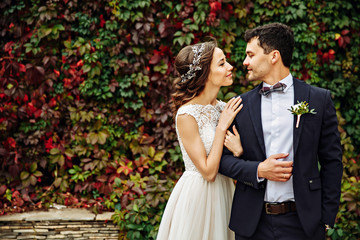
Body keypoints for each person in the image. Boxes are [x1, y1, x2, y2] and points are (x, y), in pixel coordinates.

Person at [219, 22, 343, 240]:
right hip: (252, 225)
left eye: (250, 54)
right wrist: (259, 170)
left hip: (303, 224)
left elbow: (332, 161)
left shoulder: (318, 99)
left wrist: (326, 218)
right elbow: (223, 161)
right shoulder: (239, 105)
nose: (244, 62)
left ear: (273, 56)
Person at [156, 40, 244, 240]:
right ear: (204, 73)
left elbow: (234, 156)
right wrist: (221, 127)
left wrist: (238, 151)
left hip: (225, 191)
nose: (230, 67)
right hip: (198, 196)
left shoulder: (224, 108)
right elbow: (208, 171)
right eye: (221, 64)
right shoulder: (187, 115)